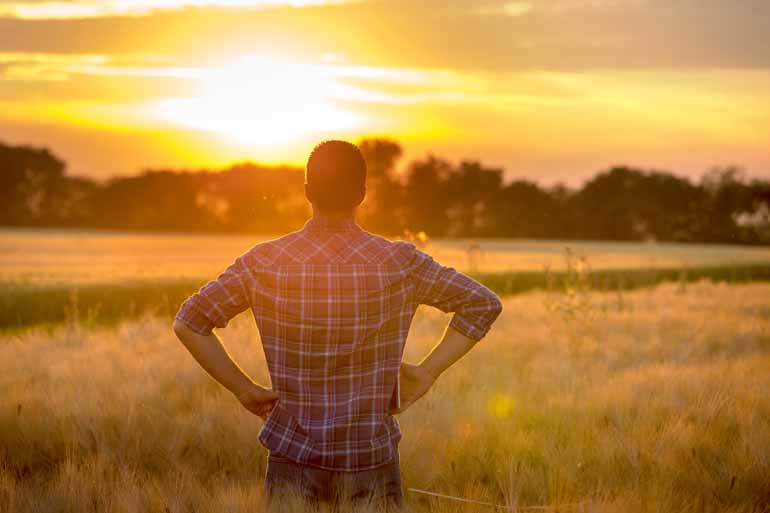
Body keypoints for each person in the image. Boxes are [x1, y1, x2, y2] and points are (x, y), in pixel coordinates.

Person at [172, 140, 503, 510]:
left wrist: (244, 389)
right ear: (362, 194)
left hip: (292, 457)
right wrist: (428, 372)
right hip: (370, 457)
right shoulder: (400, 262)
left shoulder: (264, 263)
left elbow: (189, 322)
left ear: (307, 192)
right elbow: (483, 304)